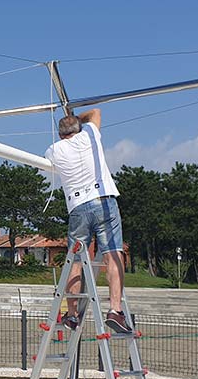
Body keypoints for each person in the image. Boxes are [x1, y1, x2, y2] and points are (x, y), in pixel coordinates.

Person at [44, 108, 132, 334]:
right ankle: (115, 310)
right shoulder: (89, 134)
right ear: (78, 129)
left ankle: (72, 314)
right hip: (103, 201)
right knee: (113, 253)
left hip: (77, 207)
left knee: (74, 261)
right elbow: (96, 111)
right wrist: (78, 118)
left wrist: (70, 122)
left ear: (61, 134)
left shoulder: (54, 150)